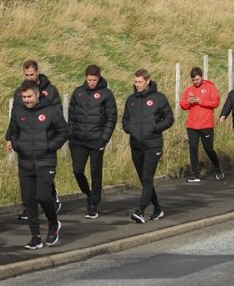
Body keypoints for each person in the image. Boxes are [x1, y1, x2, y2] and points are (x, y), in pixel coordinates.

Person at [6, 81, 69, 249]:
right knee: (28, 200)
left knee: (43, 196)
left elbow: (64, 132)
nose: (26, 100)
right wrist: (17, 145)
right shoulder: (18, 112)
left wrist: (50, 146)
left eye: (29, 96)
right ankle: (35, 236)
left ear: (37, 94)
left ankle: (53, 225)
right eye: (24, 97)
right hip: (25, 162)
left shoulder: (51, 111)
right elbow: (12, 132)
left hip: (45, 161)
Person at [122, 69, 174, 223]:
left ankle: (141, 210)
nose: (137, 84)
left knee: (147, 177)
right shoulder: (130, 100)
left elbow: (169, 118)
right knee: (145, 181)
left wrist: (155, 128)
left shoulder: (159, 98)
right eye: (135, 82)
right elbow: (125, 119)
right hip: (136, 144)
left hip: (153, 145)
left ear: (147, 81)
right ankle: (158, 209)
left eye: (140, 82)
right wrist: (129, 128)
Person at [12, 60, 62, 218]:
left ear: (38, 72)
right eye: (26, 75)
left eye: (31, 74)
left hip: (45, 141)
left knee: (43, 177)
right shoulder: (19, 92)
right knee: (30, 178)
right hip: (27, 141)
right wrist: (11, 139)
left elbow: (58, 118)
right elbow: (15, 118)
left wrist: (50, 143)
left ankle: (51, 198)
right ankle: (30, 209)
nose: (29, 77)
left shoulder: (51, 91)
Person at [67, 64, 117, 219]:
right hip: (78, 140)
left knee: (96, 173)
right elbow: (71, 114)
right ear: (85, 77)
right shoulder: (78, 92)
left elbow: (111, 117)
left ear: (99, 77)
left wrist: (104, 138)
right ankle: (88, 194)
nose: (92, 82)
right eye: (89, 79)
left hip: (96, 140)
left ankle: (94, 204)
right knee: (77, 170)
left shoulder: (106, 94)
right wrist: (70, 133)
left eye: (94, 80)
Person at [179, 67, 223, 182]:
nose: (195, 82)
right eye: (193, 80)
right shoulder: (189, 90)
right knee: (193, 148)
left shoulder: (210, 87)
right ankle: (194, 174)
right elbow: (182, 105)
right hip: (192, 125)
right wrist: (189, 102)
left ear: (201, 77)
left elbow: (216, 103)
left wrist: (200, 101)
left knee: (208, 148)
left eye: (197, 80)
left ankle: (218, 168)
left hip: (206, 124)